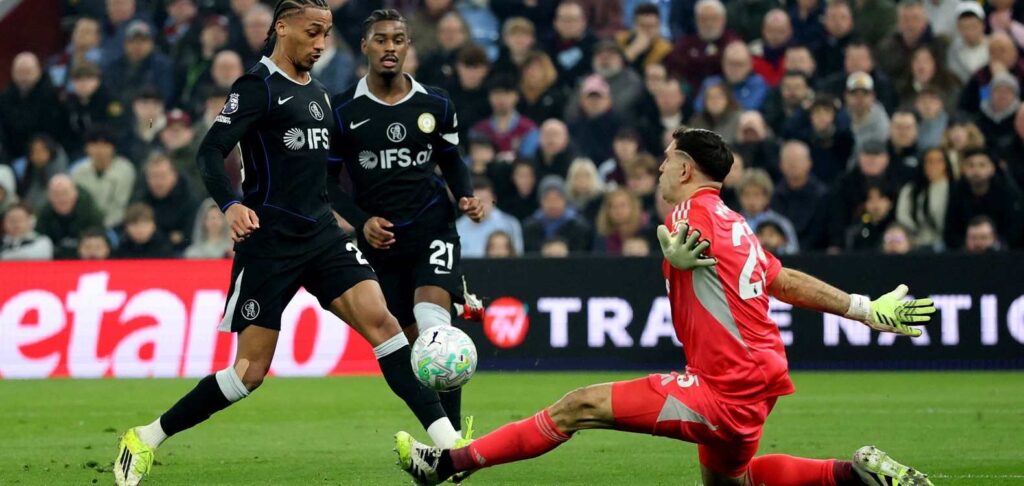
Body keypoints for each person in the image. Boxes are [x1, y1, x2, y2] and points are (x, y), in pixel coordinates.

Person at [395, 127, 937, 486]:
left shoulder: (688, 216)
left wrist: (677, 260)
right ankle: (854, 474)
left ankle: (447, 463)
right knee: (733, 482)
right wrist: (864, 308)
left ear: (684, 170)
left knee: (578, 406)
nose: (658, 168)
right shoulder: (734, 221)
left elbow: (721, 258)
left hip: (725, 386)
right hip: (759, 378)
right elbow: (785, 280)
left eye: (667, 159)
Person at [114, 5, 463, 485]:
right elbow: (210, 151)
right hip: (270, 245)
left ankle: (451, 445)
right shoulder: (256, 87)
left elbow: (333, 172)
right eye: (312, 32)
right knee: (247, 374)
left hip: (322, 237)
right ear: (282, 27)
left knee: (385, 325)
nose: (320, 44)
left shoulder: (319, 94)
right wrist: (230, 205)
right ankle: (146, 437)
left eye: (326, 34)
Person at [326, 7, 485, 460]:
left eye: (398, 39)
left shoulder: (436, 103)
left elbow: (451, 159)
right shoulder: (343, 110)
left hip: (433, 228)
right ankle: (447, 441)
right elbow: (326, 181)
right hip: (381, 243)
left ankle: (453, 447)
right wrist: (361, 221)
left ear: (408, 45)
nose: (390, 47)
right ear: (365, 46)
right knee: (416, 351)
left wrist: (465, 195)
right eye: (381, 39)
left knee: (436, 334)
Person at [456, 177, 524, 258]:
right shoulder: (458, 227)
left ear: (493, 200)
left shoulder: (509, 224)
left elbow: (518, 259)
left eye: (484, 200)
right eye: (475, 201)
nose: (480, 205)